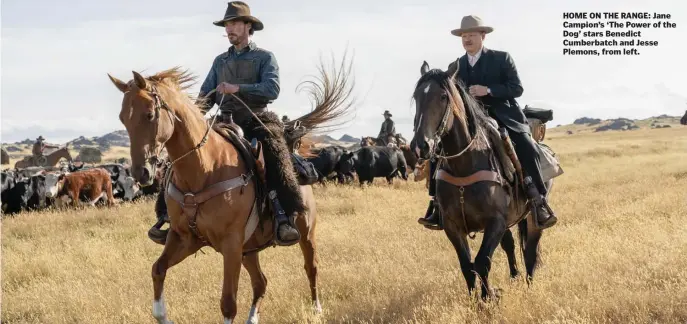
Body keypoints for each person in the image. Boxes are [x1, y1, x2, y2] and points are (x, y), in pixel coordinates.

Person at [147, 1, 303, 246]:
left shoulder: (264, 57)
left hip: (256, 118)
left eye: (233, 24)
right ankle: (167, 216)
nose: (229, 29)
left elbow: (272, 89)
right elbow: (205, 96)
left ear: (247, 26)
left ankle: (284, 216)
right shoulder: (220, 61)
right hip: (224, 121)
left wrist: (237, 88)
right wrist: (194, 117)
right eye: (227, 25)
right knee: (181, 154)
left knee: (274, 152)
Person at [417, 15, 557, 230]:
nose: (467, 39)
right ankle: (435, 205)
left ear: (483, 35)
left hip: (504, 116)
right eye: (464, 36)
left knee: (527, 146)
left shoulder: (502, 58)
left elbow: (516, 88)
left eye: (472, 34)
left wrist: (488, 90)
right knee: (439, 150)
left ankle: (539, 200)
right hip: (471, 122)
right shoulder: (456, 67)